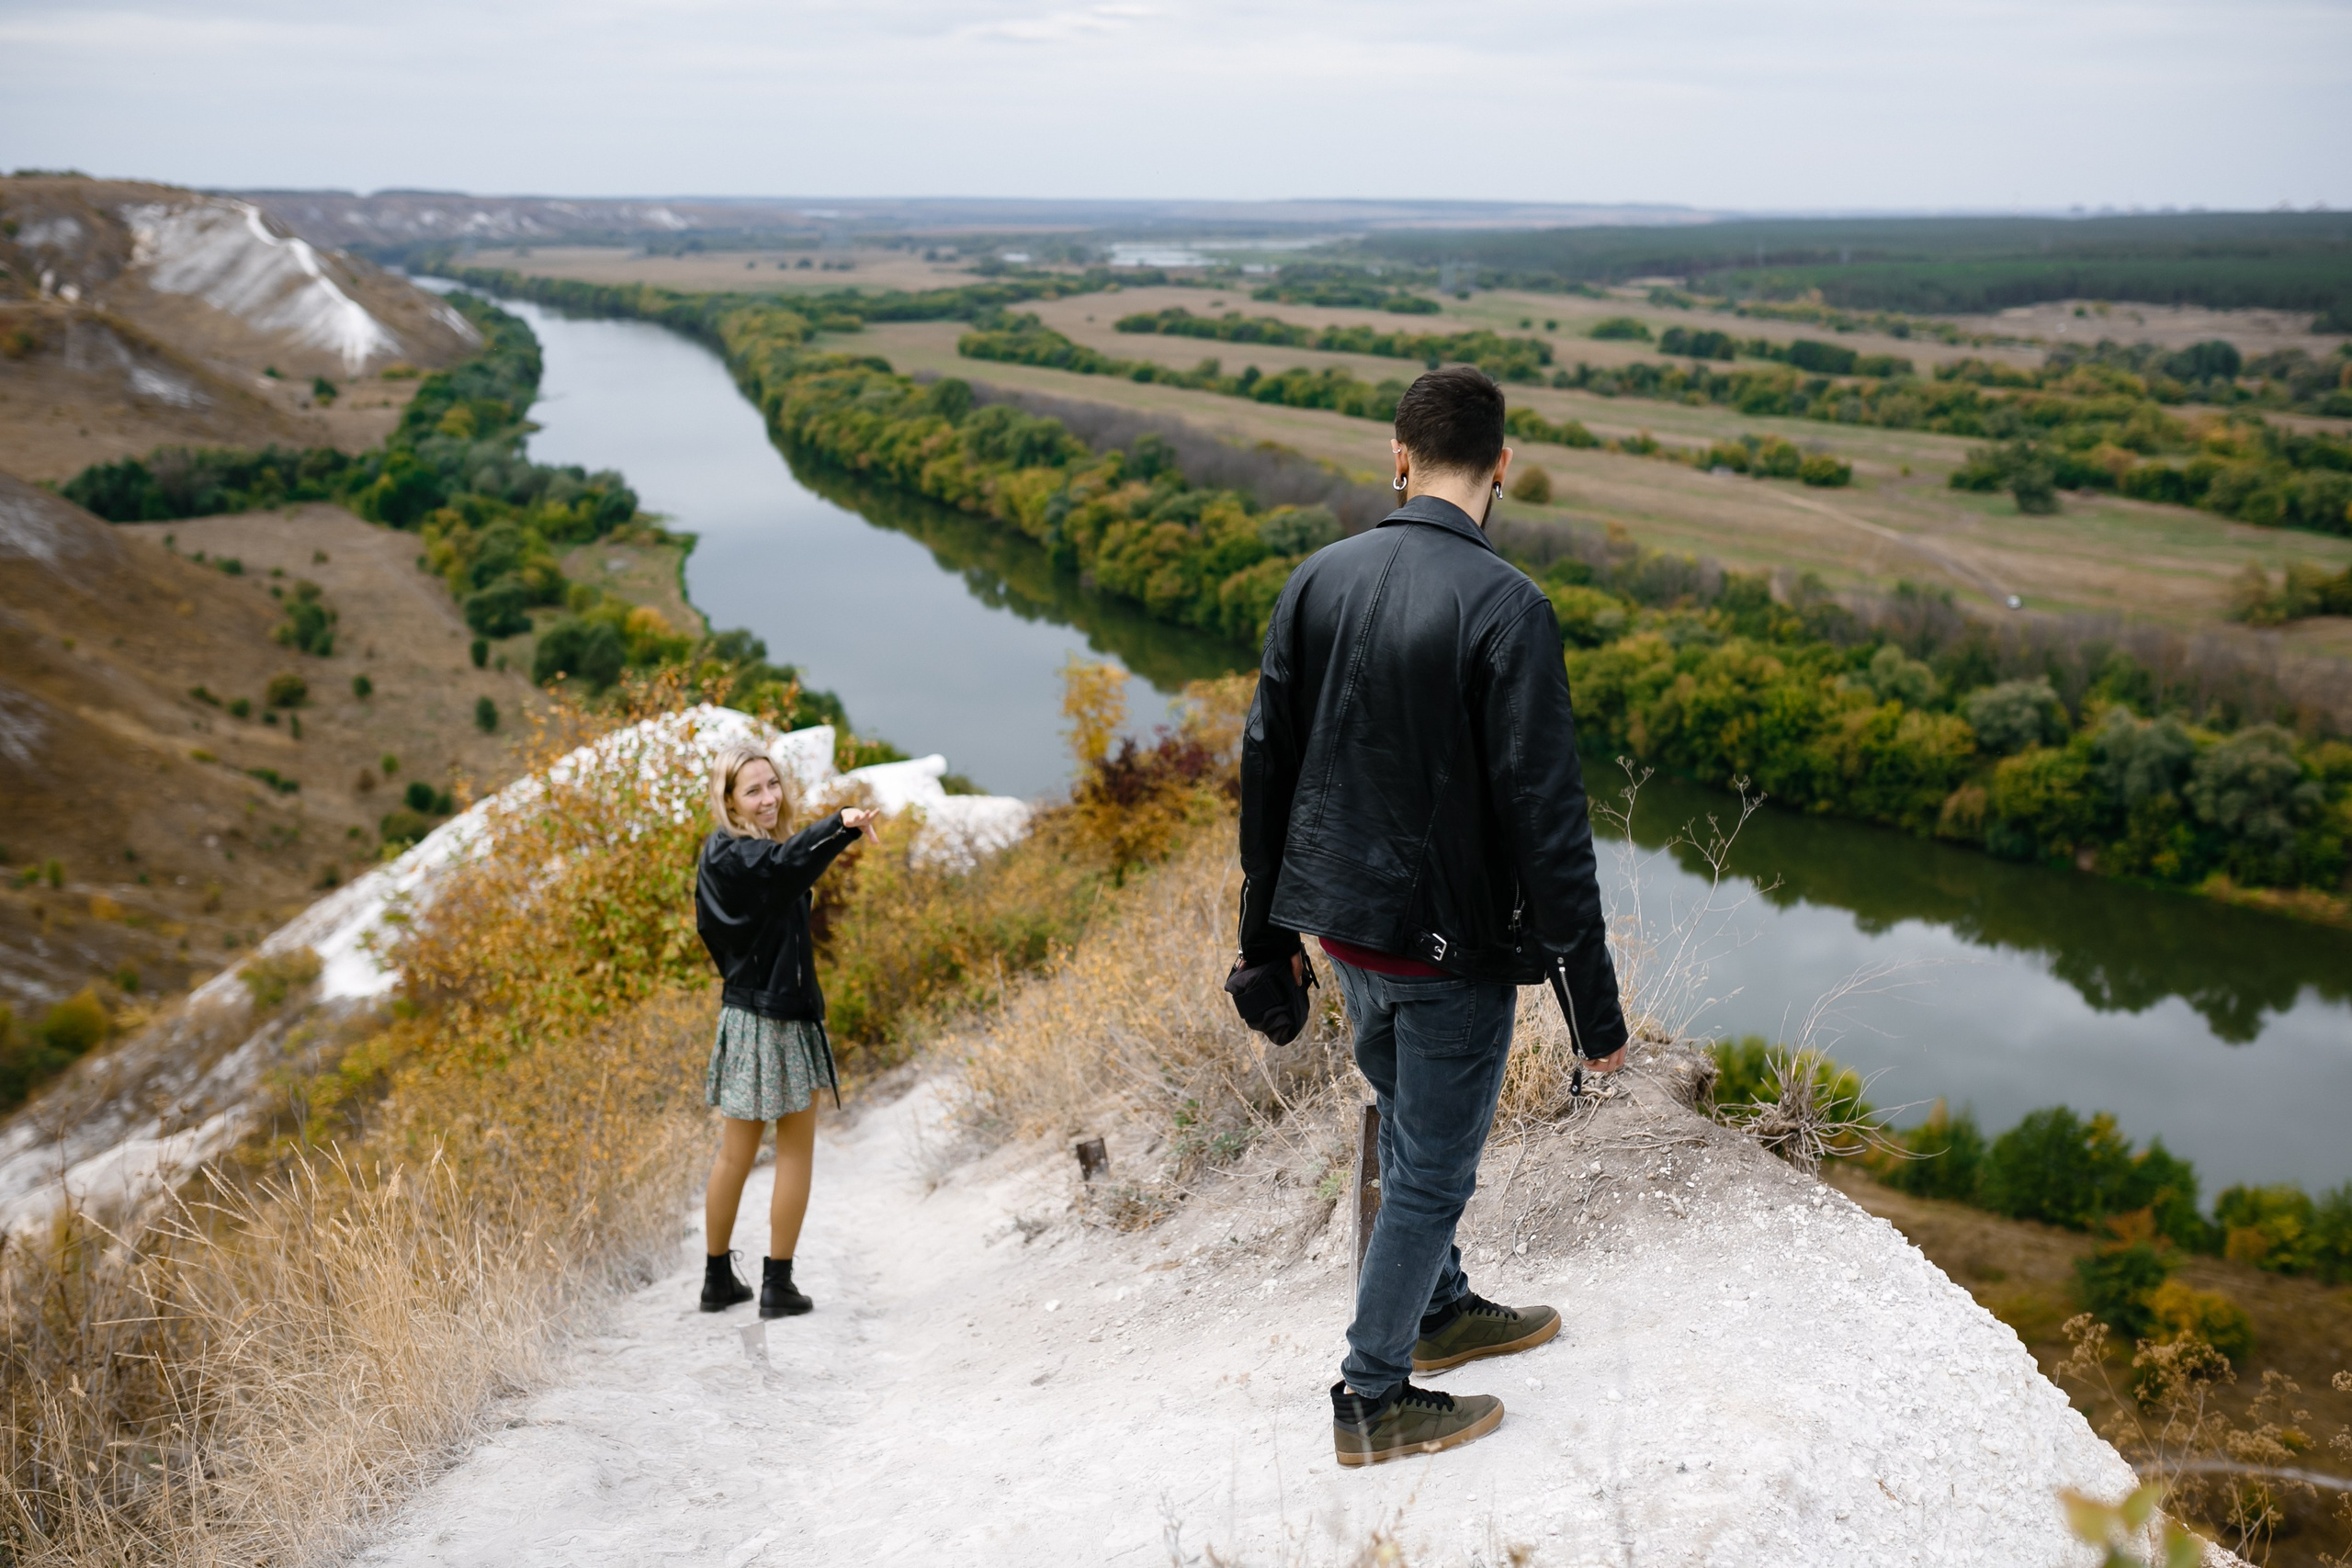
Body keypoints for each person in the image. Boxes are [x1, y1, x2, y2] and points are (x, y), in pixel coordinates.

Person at [1235, 365, 1631, 1466]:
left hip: (1342, 936)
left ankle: (1439, 1310)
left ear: (1397, 457)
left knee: (1409, 1128)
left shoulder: (1316, 577)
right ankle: (1371, 1395)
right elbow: (1546, 823)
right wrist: (1593, 1013)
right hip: (1447, 951)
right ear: (1502, 465)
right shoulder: (1508, 607)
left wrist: (1262, 937)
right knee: (1433, 1170)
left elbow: (1264, 769)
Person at [693, 742, 879, 1318]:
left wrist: (829, 835)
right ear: (729, 800)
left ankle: (719, 1280)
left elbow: (787, 865)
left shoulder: (729, 853)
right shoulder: (742, 855)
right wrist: (840, 826)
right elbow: (784, 867)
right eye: (753, 790)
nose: (768, 797)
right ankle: (777, 1284)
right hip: (774, 1016)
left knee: (735, 1155)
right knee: (793, 1152)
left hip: (748, 1015)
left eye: (772, 784)